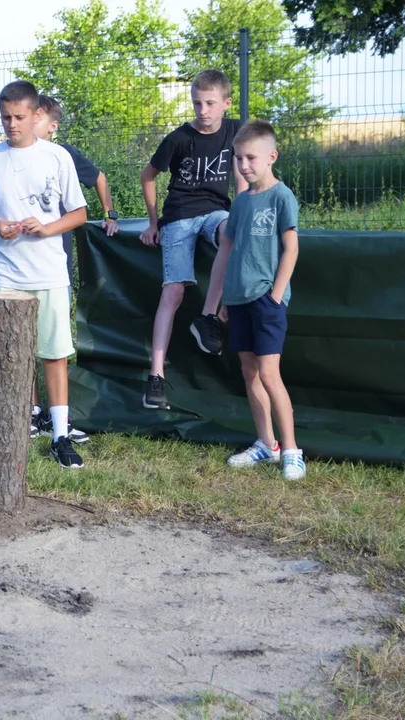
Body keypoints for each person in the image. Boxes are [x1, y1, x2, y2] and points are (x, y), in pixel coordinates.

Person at [0, 80, 89, 469]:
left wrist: (47, 227)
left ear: (37, 115)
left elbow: (79, 214)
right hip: (5, 274)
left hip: (50, 271)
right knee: (9, 355)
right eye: (5, 117)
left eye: (19, 117)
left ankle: (60, 434)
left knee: (53, 354)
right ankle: (16, 423)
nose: (11, 124)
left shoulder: (57, 157)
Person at [138, 69, 248, 410]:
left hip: (216, 211)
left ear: (226, 104)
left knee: (232, 231)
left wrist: (243, 216)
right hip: (179, 216)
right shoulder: (178, 138)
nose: (203, 110)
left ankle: (207, 317)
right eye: (197, 103)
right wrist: (154, 221)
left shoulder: (235, 132)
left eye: (210, 103)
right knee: (172, 291)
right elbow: (148, 176)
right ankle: (155, 378)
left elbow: (242, 179)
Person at [28, 94, 121, 443]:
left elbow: (98, 177)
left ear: (52, 125)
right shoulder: (11, 157)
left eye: (35, 117)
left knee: (53, 345)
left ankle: (57, 418)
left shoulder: (63, 156)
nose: (24, 122)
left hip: (56, 266)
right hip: (20, 268)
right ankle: (32, 413)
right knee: (22, 342)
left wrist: (108, 213)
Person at [216, 120, 305, 480]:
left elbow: (291, 248)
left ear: (271, 156)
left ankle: (293, 451)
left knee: (269, 373)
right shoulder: (240, 202)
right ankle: (266, 444)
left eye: (250, 157)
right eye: (238, 158)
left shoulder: (282, 196)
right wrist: (224, 298)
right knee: (249, 371)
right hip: (238, 299)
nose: (244, 165)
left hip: (267, 300)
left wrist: (275, 294)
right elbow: (230, 249)